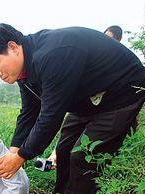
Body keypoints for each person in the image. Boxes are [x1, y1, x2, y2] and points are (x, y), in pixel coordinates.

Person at [0, 24, 145, 194]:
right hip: (85, 98)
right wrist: (14, 150)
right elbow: (29, 111)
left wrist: (21, 156)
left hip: (122, 92)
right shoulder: (24, 72)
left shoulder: (53, 54)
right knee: (64, 150)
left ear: (13, 47)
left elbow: (50, 117)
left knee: (83, 155)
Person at [48, 24, 124, 165]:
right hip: (83, 105)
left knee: (84, 152)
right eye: (103, 38)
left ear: (118, 42)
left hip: (105, 109)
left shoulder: (118, 61)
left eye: (110, 39)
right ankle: (55, 157)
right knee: (66, 138)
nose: (105, 42)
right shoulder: (92, 56)